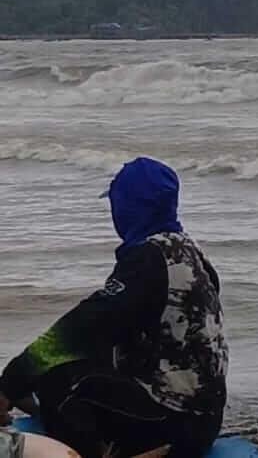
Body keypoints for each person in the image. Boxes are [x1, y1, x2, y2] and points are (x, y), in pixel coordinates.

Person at [0, 157, 228, 458]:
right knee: (63, 367)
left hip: (176, 423)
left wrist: (10, 384)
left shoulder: (148, 261)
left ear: (129, 207)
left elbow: (84, 326)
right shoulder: (189, 252)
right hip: (202, 416)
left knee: (62, 383)